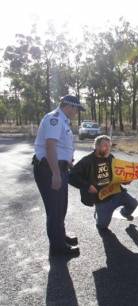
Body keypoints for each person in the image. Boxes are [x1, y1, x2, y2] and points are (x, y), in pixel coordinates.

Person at [32, 95, 83, 257]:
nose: (76, 113)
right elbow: (50, 147)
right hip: (49, 170)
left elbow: (61, 147)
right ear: (69, 106)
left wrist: (67, 162)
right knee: (55, 209)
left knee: (61, 207)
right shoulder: (54, 119)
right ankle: (58, 248)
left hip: (59, 168)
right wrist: (55, 173)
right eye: (76, 109)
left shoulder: (63, 120)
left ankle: (59, 237)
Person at [69, 135, 138, 230]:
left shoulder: (111, 158)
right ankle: (98, 213)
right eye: (105, 146)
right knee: (102, 226)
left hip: (117, 192)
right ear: (96, 146)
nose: (108, 149)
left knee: (133, 203)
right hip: (101, 199)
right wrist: (87, 186)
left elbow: (117, 175)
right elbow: (71, 176)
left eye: (109, 146)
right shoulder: (86, 161)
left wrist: (124, 181)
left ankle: (124, 213)